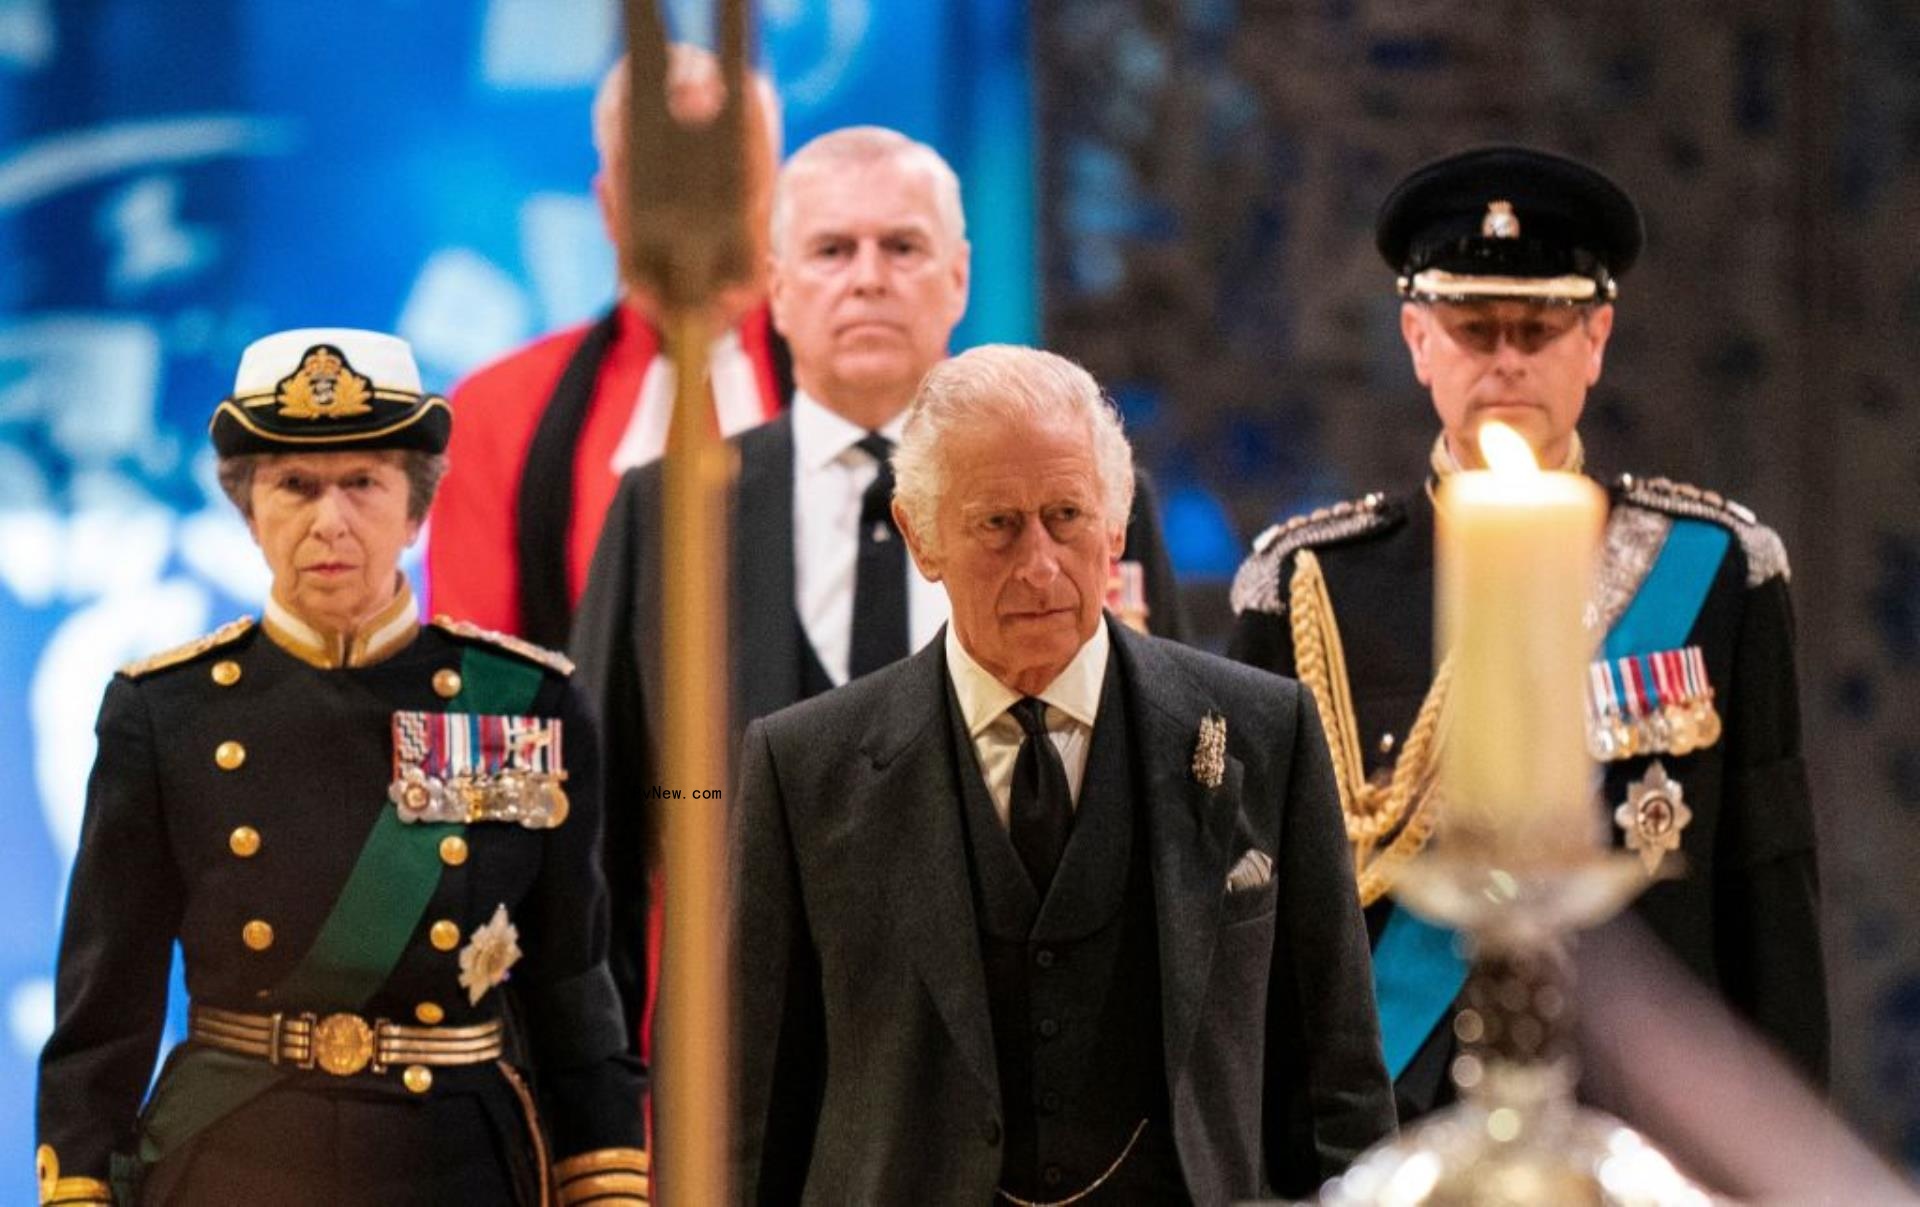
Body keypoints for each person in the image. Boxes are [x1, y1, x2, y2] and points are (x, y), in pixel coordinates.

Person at [1227, 146, 1828, 1122]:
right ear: (1418, 339)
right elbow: (1258, 928)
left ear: (1595, 340)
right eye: (1474, 326)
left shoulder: (1716, 572)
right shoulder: (1308, 588)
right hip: (1390, 1142)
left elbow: (1770, 915)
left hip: (1640, 1144)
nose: (1507, 357)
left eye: (1540, 326)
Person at [729, 345, 1394, 1204]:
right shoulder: (803, 769)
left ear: (1116, 528)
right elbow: (749, 1125)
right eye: (997, 524)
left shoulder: (1269, 733)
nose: (1039, 563)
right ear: (919, 536)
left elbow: (1339, 1091)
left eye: (1067, 515)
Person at [572, 126, 1185, 1054]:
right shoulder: (667, 514)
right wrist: (609, 1130)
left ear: (960, 278)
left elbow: (1168, 789)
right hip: (746, 1069)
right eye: (831, 250)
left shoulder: (1087, 499)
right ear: (775, 288)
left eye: (902, 247)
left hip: (1028, 1063)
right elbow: (600, 847)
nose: (867, 277)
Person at [36, 329, 646, 1206]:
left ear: (416, 508)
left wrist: (606, 1179)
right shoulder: (164, 711)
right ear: (249, 510)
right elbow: (108, 1001)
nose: (331, 520)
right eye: (295, 485)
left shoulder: (520, 702)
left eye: (363, 482)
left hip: (457, 1164)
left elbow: (571, 979)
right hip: (230, 1158)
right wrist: (82, 1182)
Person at [426, 46, 789, 650]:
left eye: (724, 171)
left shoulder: (882, 397)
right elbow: (478, 694)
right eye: (660, 178)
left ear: (775, 194)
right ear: (608, 203)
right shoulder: (495, 413)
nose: (694, 209)